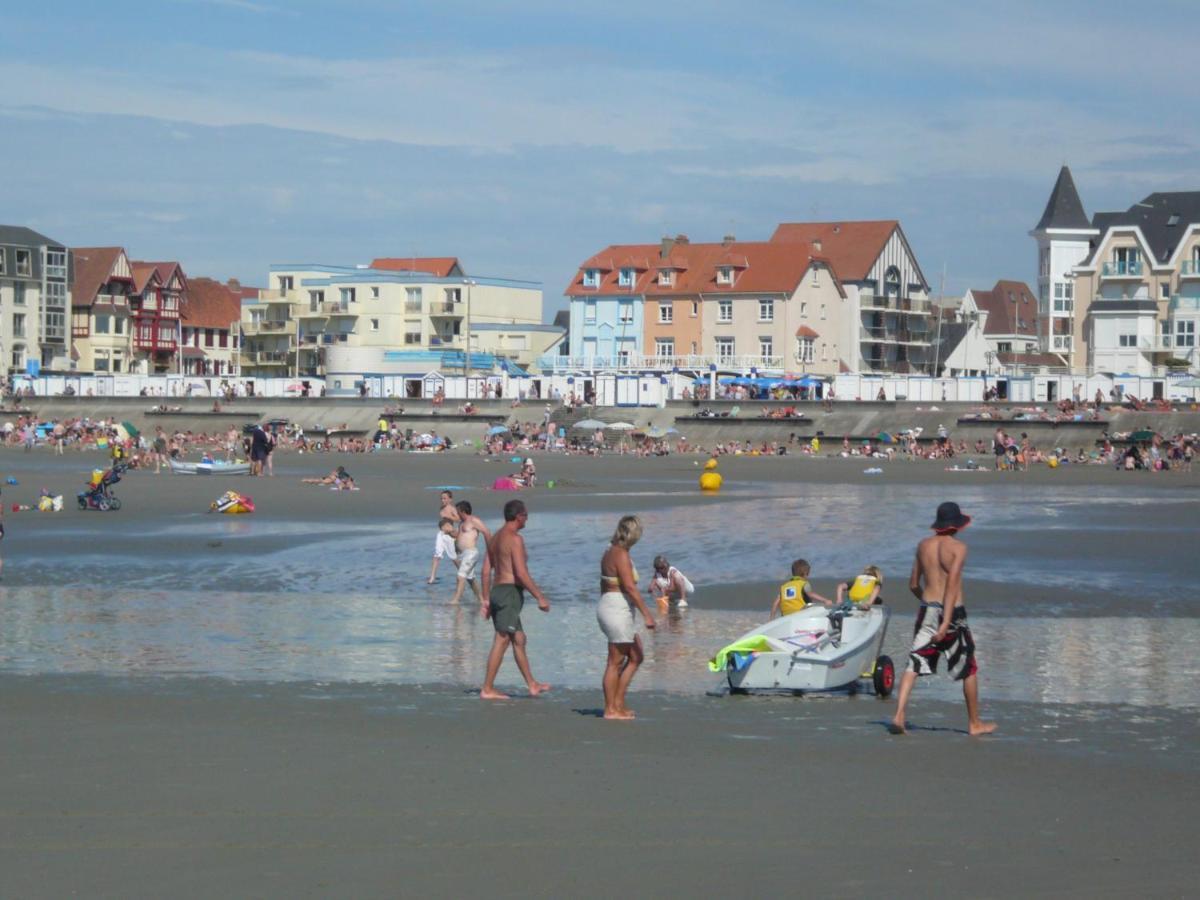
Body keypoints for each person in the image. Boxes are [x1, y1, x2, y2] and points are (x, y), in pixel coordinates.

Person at [889, 502, 996, 737]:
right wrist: (946, 620)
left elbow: (913, 584)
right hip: (953, 612)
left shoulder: (923, 545)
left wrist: (928, 605)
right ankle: (975, 723)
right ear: (956, 525)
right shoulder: (958, 548)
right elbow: (952, 585)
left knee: (914, 663)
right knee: (968, 667)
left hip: (927, 607)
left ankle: (898, 715)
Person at [480, 499, 550, 699]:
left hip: (497, 592)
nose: (527, 518)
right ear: (519, 516)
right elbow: (520, 573)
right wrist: (540, 597)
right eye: (526, 515)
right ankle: (487, 688)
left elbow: (485, 571)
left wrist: (486, 599)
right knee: (502, 639)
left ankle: (532, 684)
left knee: (519, 639)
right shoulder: (514, 538)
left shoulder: (494, 539)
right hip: (509, 593)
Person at [597, 515, 656, 719]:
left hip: (610, 606)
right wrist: (647, 615)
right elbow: (630, 587)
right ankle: (610, 709)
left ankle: (618, 703)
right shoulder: (620, 554)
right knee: (614, 661)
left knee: (636, 656)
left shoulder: (609, 551)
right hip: (617, 609)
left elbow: (606, 584)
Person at [450, 500, 492, 605]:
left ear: (463, 511)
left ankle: (455, 600)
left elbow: (486, 532)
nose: (456, 514)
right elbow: (460, 537)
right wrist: (452, 535)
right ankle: (482, 600)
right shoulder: (461, 523)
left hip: (471, 553)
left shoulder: (473, 520)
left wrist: (490, 551)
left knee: (460, 576)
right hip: (462, 554)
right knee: (470, 579)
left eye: (457, 511)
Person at [427, 517, 459, 584]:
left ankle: (464, 574)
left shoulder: (456, 530)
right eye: (443, 527)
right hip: (442, 535)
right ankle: (432, 578)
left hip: (450, 538)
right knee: (436, 556)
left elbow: (456, 534)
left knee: (454, 558)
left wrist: (450, 531)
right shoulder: (441, 533)